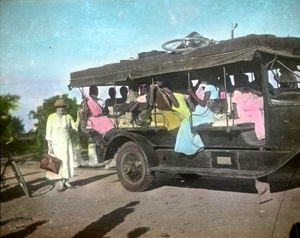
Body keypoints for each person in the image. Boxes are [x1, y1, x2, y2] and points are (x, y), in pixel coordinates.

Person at [174, 80, 219, 155]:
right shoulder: (204, 87)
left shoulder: (209, 87)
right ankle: (190, 145)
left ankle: (195, 146)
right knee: (185, 122)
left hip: (204, 113)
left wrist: (192, 93)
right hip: (201, 111)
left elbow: (204, 104)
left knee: (186, 123)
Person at [46, 98, 80, 190]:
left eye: (62, 107)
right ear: (56, 108)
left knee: (67, 161)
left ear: (65, 108)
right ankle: (60, 182)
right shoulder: (51, 117)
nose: (61, 109)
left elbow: (75, 126)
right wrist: (49, 145)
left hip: (67, 143)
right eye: (59, 107)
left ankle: (67, 181)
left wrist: (79, 116)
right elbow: (48, 132)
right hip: (56, 144)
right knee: (57, 163)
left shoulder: (68, 116)